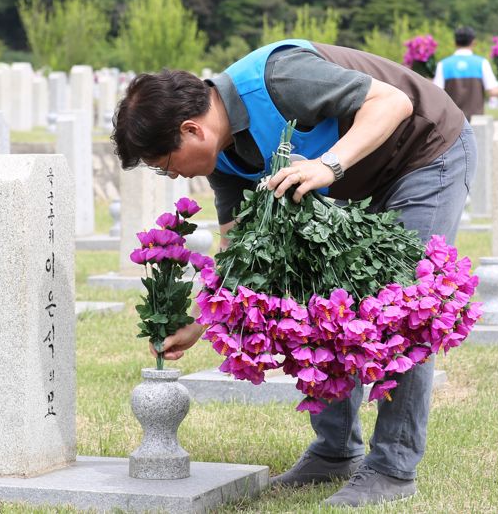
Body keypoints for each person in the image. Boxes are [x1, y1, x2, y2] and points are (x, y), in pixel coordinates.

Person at [111, 39, 475, 507]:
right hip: (353, 182)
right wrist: (203, 321)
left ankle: (393, 468)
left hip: (422, 154)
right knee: (318, 300)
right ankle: (335, 450)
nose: (174, 178)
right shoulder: (225, 160)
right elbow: (241, 252)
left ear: (191, 130)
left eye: (166, 166)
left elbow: (394, 102)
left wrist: (328, 166)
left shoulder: (279, 79)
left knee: (400, 308)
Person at [433, 26, 498, 120]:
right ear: (473, 42)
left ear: (455, 42)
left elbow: (436, 93)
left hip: (452, 122)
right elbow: (492, 91)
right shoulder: (482, 63)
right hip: (476, 121)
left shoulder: (443, 64)